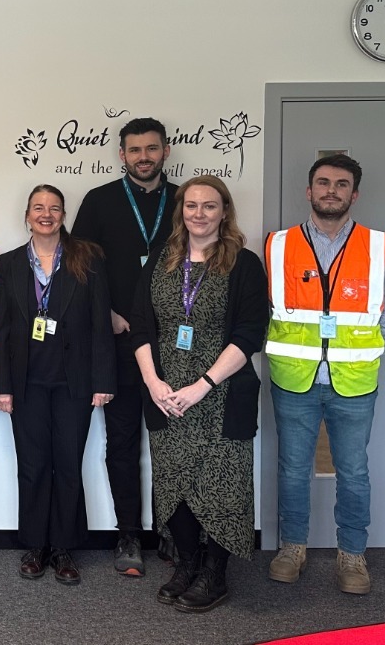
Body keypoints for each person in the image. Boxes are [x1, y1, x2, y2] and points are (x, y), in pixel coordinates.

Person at [264, 155, 385, 596]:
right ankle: (292, 548)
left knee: (353, 470)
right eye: (322, 183)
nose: (331, 190)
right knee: (292, 469)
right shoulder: (277, 245)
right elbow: (262, 308)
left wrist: (352, 349)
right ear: (308, 191)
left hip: (354, 381)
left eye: (341, 184)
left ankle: (352, 554)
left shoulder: (378, 246)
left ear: (354, 194)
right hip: (293, 379)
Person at [129, 175, 269, 613]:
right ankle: (187, 564)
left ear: (224, 211)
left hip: (219, 394)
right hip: (166, 394)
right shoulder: (159, 261)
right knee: (174, 483)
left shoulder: (243, 264)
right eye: (191, 206)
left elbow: (250, 334)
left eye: (209, 206)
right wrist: (154, 384)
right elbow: (141, 325)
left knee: (222, 485)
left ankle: (215, 573)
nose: (199, 214)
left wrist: (201, 386)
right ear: (181, 212)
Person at [0, 184, 115, 585]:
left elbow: (100, 322)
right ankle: (35, 545)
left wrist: (103, 380)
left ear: (64, 214)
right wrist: (1, 386)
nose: (47, 214)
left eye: (55, 208)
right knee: (32, 466)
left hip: (73, 383)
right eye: (38, 208)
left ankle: (63, 547)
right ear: (27, 216)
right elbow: (2, 330)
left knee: (67, 465)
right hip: (26, 383)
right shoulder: (8, 264)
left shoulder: (87, 258)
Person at [72, 117, 179, 575]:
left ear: (165, 151)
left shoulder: (183, 201)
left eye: (151, 149)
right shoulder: (99, 201)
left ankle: (173, 532)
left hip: (174, 348)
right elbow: (79, 268)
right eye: (135, 150)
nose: (143, 157)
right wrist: (108, 315)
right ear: (122, 155)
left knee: (171, 445)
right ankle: (128, 535)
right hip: (117, 343)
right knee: (122, 444)